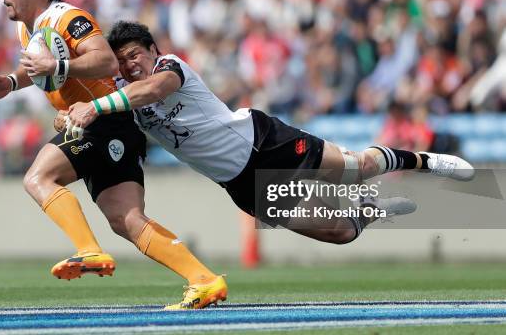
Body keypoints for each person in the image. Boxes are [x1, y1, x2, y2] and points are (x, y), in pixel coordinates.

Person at [66, 20, 475, 247]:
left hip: (261, 140)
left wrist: (96, 105)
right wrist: (67, 116)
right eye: (121, 62)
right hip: (239, 181)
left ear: (152, 49)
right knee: (339, 233)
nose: (129, 65)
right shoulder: (121, 95)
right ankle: (373, 210)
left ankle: (426, 161)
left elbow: (153, 90)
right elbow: (101, 112)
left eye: (134, 55)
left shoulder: (168, 66)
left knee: (356, 168)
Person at [0, 0, 225, 310]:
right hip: (104, 126)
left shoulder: (68, 18)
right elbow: (42, 68)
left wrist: (57, 64)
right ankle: (204, 279)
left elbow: (105, 60)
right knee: (126, 220)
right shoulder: (24, 27)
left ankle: (89, 251)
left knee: (38, 178)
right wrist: (12, 83)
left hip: (102, 122)